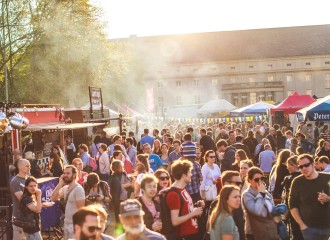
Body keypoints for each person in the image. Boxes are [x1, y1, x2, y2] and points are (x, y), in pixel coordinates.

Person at [289, 154, 330, 240]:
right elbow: (292, 204)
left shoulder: (327, 178)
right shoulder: (297, 182)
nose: (304, 168)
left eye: (306, 165)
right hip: (308, 228)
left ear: (313, 164)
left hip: (327, 226)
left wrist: (328, 199)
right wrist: (301, 224)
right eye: (300, 167)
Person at [165, 159, 203, 240]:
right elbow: (175, 221)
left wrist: (196, 207)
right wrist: (193, 213)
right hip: (184, 236)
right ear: (183, 175)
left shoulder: (183, 189)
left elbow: (185, 210)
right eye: (190, 172)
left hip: (192, 233)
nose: (191, 174)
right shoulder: (173, 194)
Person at [242, 167, 278, 240]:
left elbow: (272, 208)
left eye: (262, 179)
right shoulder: (247, 195)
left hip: (269, 230)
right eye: (256, 180)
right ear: (249, 180)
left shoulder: (266, 193)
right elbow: (257, 211)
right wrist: (261, 194)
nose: (260, 182)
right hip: (254, 233)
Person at [50, 165, 85, 240]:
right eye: (64, 173)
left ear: (74, 174)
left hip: (75, 225)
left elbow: (81, 211)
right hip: (66, 223)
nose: (65, 175)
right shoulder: (65, 188)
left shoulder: (79, 189)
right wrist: (60, 184)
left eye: (68, 173)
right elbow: (53, 198)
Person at [281, 156, 302, 240]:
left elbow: (287, 197)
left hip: (293, 209)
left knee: (296, 232)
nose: (287, 166)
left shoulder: (289, 179)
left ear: (295, 165)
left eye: (289, 164)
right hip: (305, 210)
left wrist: (286, 210)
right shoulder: (305, 176)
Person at [10, 159, 30, 240]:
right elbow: (23, 199)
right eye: (27, 166)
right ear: (20, 167)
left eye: (30, 166)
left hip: (30, 218)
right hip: (19, 219)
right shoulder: (15, 181)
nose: (30, 168)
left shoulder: (29, 179)